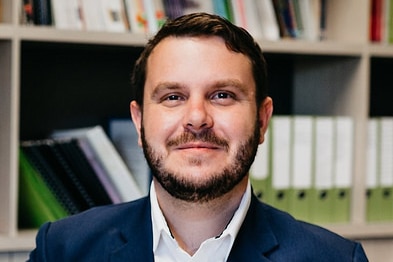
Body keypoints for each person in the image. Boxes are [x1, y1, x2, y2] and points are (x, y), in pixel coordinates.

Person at [28, 13, 368, 261]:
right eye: (173, 97)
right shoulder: (61, 250)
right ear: (139, 121)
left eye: (222, 95)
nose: (196, 119)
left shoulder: (334, 258)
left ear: (262, 120)